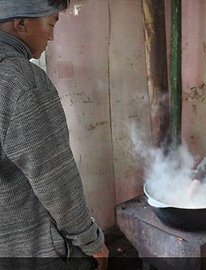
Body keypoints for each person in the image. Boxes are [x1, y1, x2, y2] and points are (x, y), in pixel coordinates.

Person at [0, 1, 109, 269]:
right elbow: (56, 182)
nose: (51, 36)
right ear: (21, 23)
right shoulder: (23, 81)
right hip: (31, 246)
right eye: (51, 24)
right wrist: (91, 240)